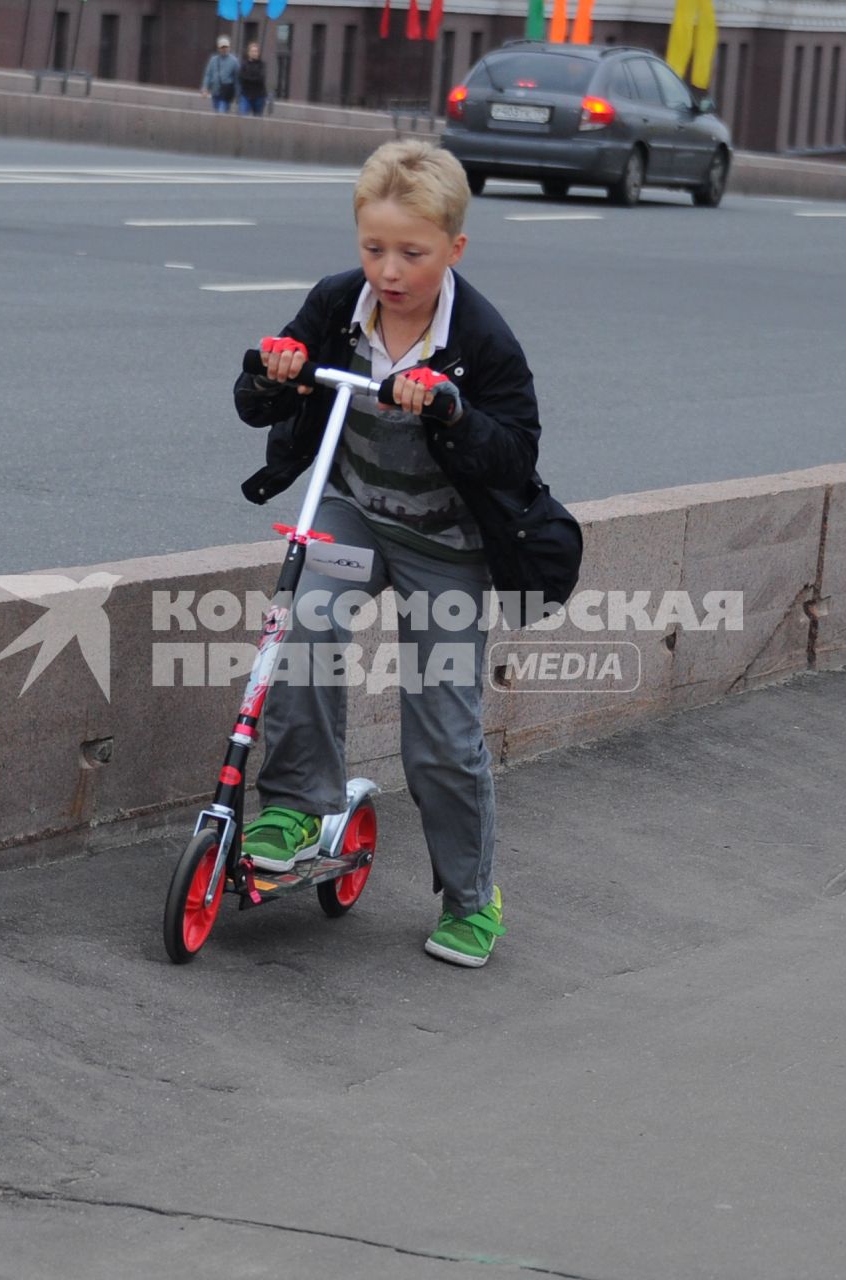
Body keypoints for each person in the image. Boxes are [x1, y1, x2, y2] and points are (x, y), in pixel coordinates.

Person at [233, 139, 580, 968]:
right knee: (305, 636)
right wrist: (278, 371)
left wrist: (452, 409)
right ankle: (291, 806)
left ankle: (470, 895)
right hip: (352, 511)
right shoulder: (336, 303)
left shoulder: (483, 338)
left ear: (454, 249)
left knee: (440, 733)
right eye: (374, 247)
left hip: (447, 545)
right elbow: (254, 400)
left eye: (412, 254)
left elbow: (516, 455)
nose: (389, 271)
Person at [201, 37, 239, 114]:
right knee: (216, 110)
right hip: (215, 91)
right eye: (222, 47)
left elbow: (237, 79)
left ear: (229, 47)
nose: (224, 49)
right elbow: (208, 75)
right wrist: (205, 88)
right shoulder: (213, 60)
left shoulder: (234, 61)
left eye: (226, 47)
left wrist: (237, 94)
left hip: (226, 92)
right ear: (218, 48)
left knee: (222, 111)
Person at [237, 42, 269, 116]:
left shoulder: (262, 65)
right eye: (252, 51)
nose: (254, 53)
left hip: (259, 95)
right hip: (245, 94)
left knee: (257, 118)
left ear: (258, 53)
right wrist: (253, 78)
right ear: (248, 53)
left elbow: (261, 78)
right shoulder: (244, 64)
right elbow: (241, 77)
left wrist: (248, 78)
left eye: (256, 51)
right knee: (242, 116)